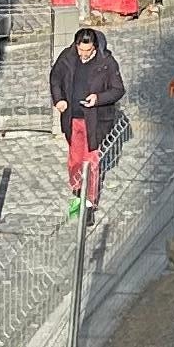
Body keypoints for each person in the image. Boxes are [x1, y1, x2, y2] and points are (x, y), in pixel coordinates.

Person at [51, 22, 124, 216]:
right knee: (75, 159)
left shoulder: (107, 62)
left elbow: (118, 90)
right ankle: (77, 194)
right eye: (80, 50)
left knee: (91, 161)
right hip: (73, 118)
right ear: (76, 45)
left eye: (88, 50)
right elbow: (55, 78)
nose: (83, 54)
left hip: (95, 121)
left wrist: (98, 98)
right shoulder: (68, 57)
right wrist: (59, 100)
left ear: (94, 47)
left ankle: (89, 204)